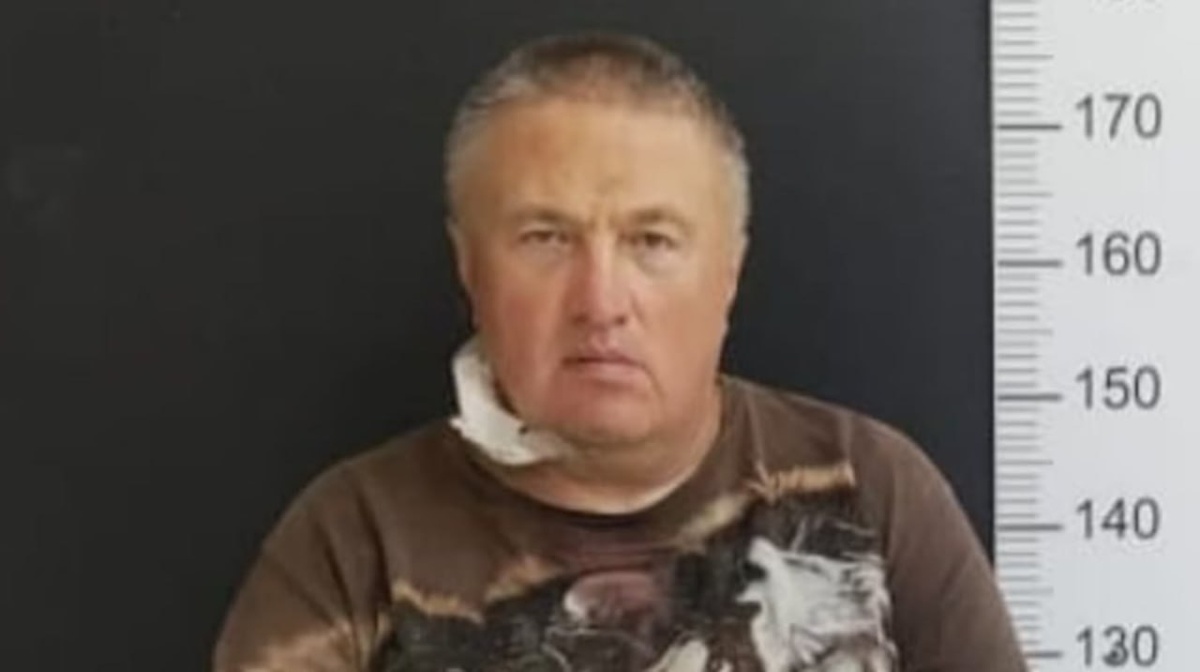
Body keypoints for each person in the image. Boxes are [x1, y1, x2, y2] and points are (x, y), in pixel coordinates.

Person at [214, 31, 1024, 671]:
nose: (601, 302)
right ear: (469, 267)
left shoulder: (869, 489)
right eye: (545, 237)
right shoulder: (353, 539)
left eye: (652, 241)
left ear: (729, 272)